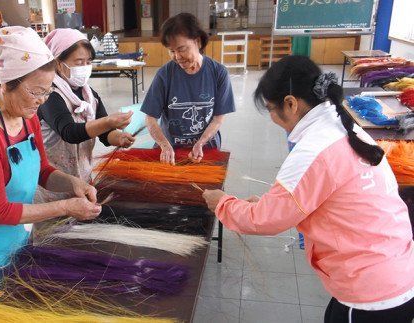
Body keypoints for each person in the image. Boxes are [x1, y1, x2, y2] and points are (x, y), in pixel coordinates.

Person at [203, 56, 414, 323]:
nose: (271, 117)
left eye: (270, 108)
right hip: (398, 274)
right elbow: (329, 199)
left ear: (291, 103)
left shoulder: (313, 149)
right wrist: (270, 204)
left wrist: (222, 203)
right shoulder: (344, 128)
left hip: (370, 296)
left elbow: (264, 220)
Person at [0, 26, 102, 300]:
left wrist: (72, 183)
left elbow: (42, 170)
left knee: (19, 295)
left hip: (16, 230)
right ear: (5, 83)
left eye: (47, 92)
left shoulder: (26, 113)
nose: (42, 102)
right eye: (36, 92)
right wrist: (66, 206)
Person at [36, 28, 134, 203]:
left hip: (83, 180)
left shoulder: (90, 95)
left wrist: (119, 138)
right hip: (53, 187)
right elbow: (70, 132)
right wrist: (108, 120)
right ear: (58, 63)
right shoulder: (50, 95)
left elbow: (104, 133)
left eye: (88, 61)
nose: (85, 67)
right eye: (78, 62)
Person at [141, 13, 235, 165]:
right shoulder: (165, 75)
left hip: (206, 149)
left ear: (197, 41)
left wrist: (200, 143)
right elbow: (150, 118)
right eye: (171, 51)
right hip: (171, 151)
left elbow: (218, 119)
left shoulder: (218, 73)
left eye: (181, 49)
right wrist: (164, 145)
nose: (177, 57)